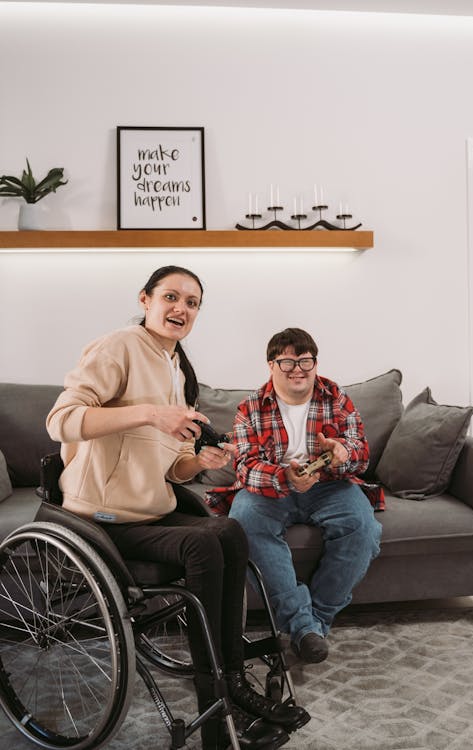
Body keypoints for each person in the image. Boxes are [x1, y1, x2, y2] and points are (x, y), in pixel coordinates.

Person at [46, 267, 309, 750]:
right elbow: (60, 421)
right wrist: (151, 413)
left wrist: (196, 464)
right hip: (101, 515)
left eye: (192, 303)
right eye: (171, 296)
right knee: (206, 541)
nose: (181, 309)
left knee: (230, 530)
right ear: (145, 299)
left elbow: (169, 468)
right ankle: (218, 695)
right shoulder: (118, 347)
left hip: (148, 507)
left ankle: (231, 678)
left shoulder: (176, 367)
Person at [207, 327, 383, 665]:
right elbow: (246, 467)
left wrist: (344, 453)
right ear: (271, 365)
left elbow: (361, 453)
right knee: (242, 526)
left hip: (329, 485)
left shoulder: (337, 398)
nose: (298, 369)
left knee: (363, 529)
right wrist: (284, 478)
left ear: (315, 363)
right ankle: (308, 628)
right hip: (270, 488)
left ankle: (308, 625)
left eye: (305, 360)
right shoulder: (251, 407)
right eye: (288, 362)